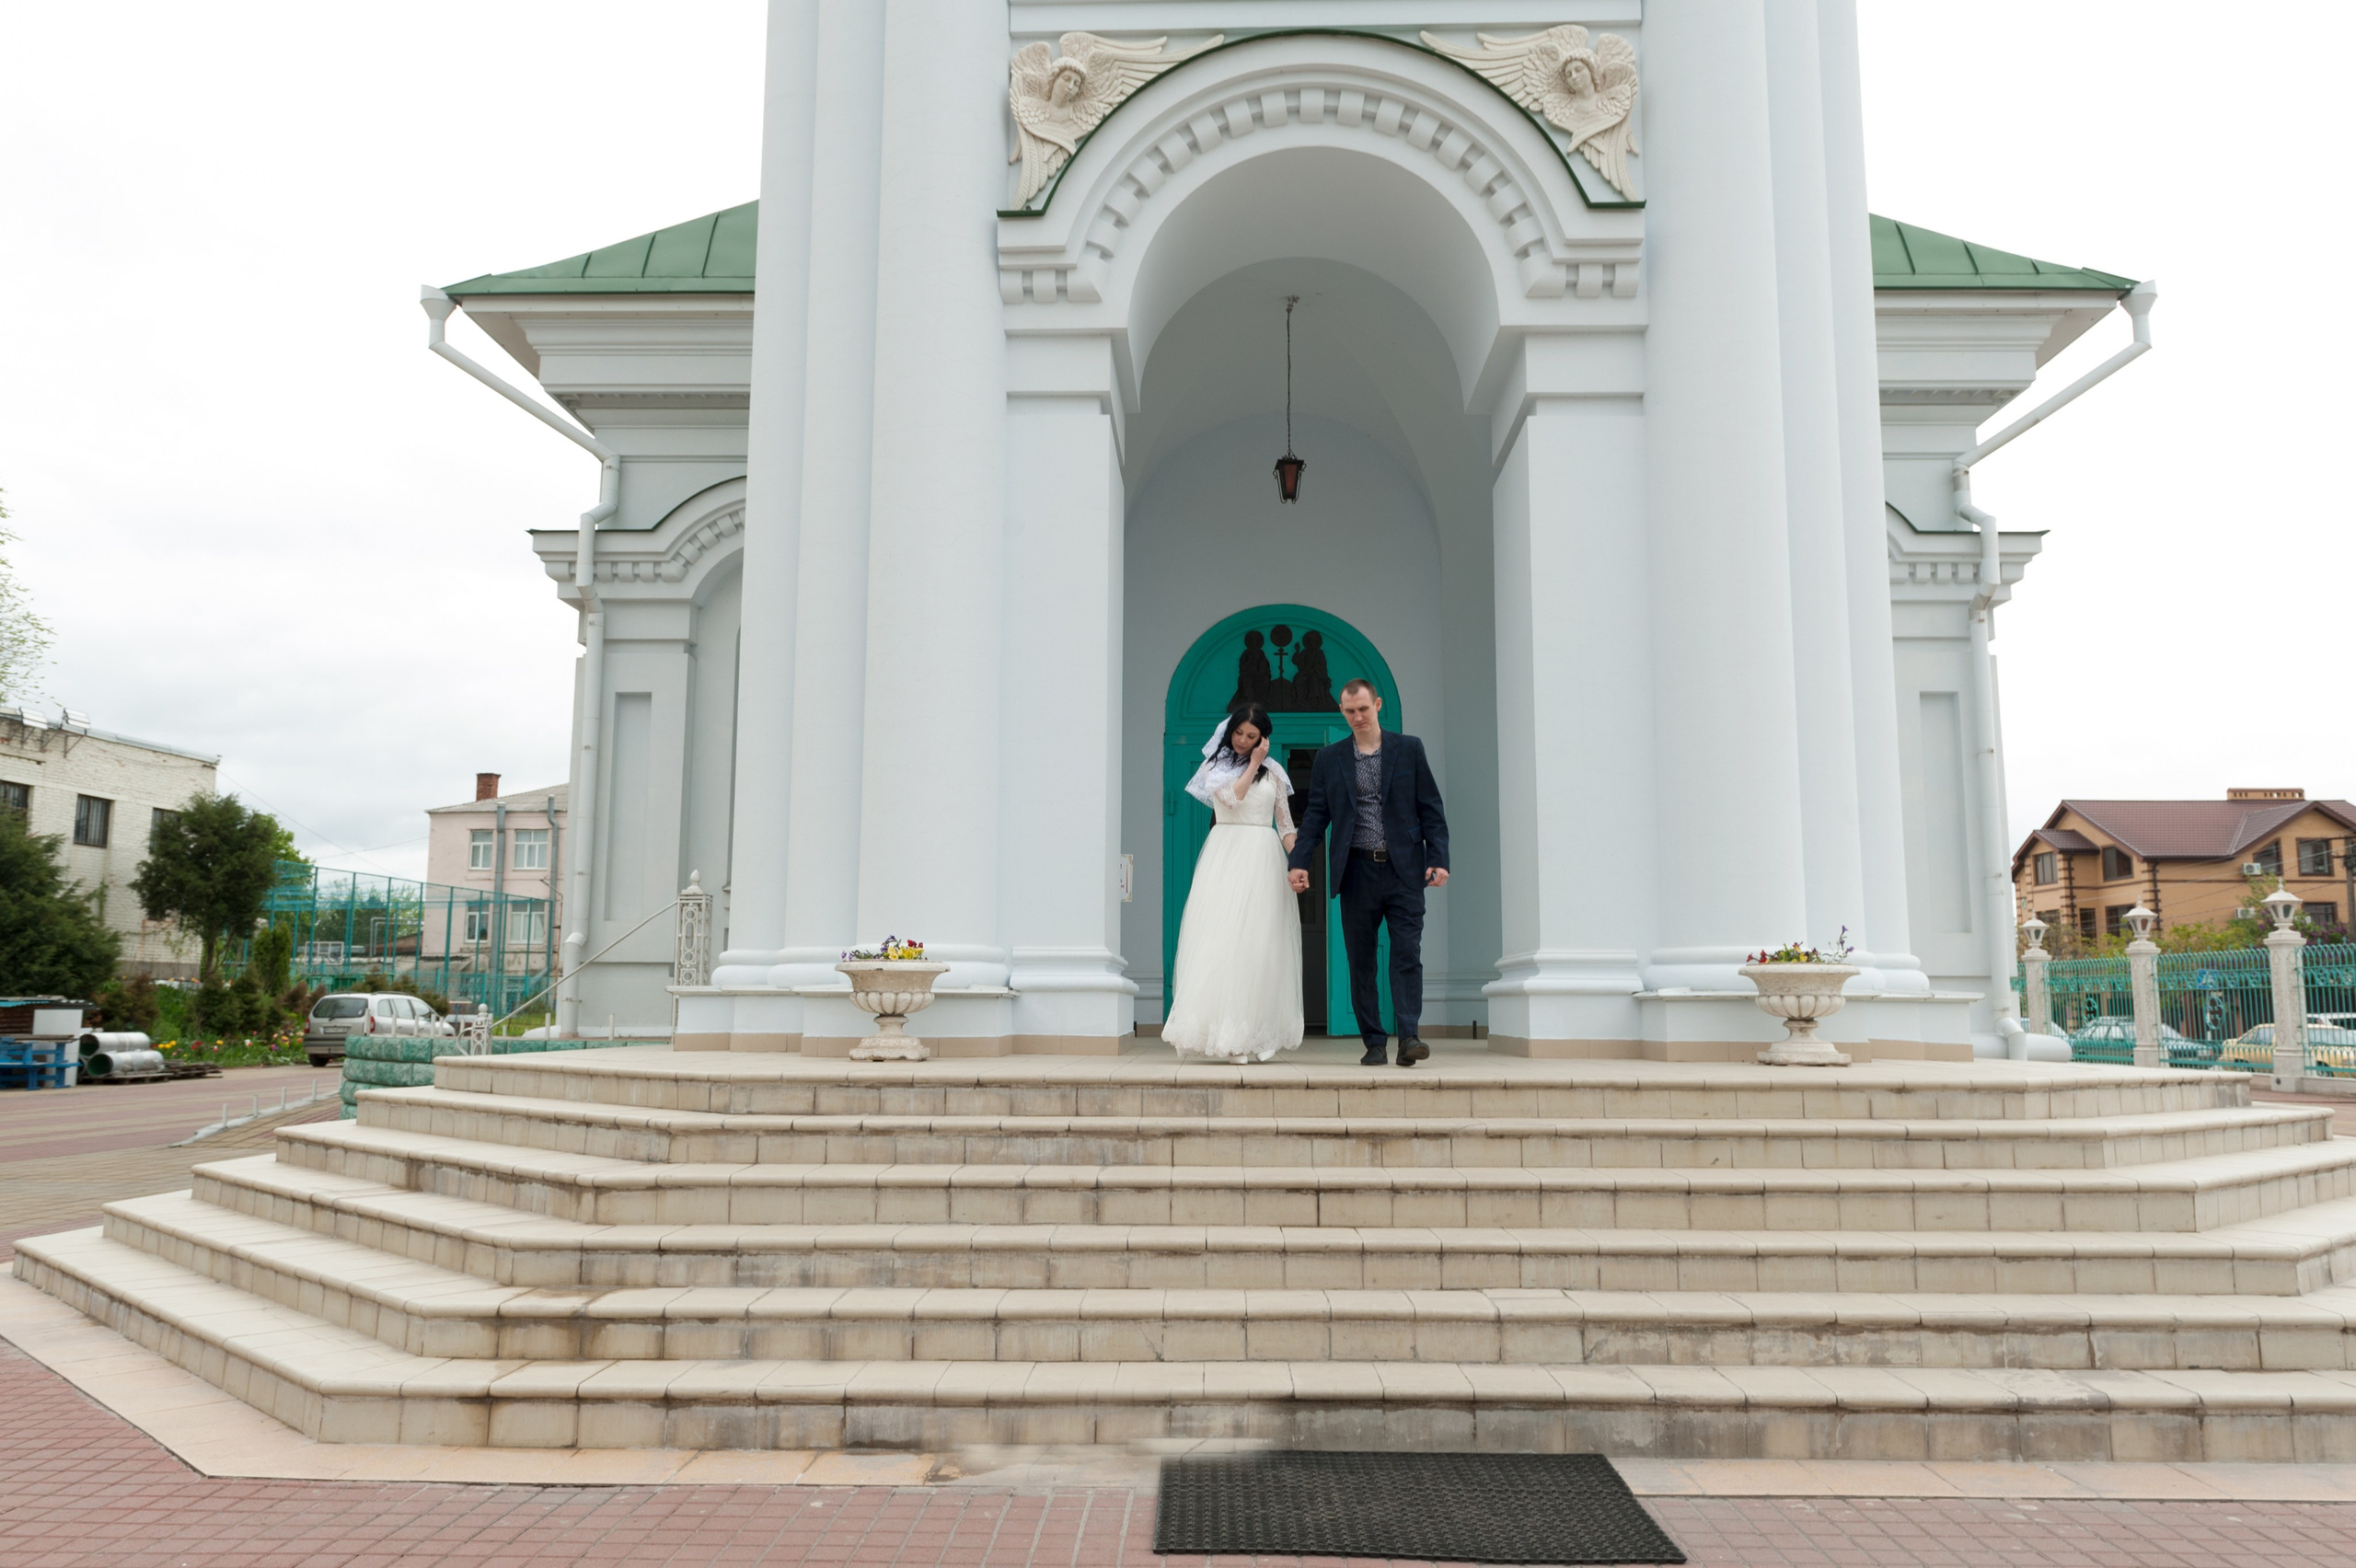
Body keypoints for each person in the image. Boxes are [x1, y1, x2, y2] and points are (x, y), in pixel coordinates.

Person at [1287, 680, 1449, 1066]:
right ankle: (1374, 1040)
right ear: (1341, 712)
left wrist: (1438, 857)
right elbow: (1316, 817)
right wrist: (1298, 861)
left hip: (1404, 870)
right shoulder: (1330, 758)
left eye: (1363, 709)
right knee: (1361, 960)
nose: (1357, 717)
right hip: (1356, 870)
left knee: (1407, 952)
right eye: (1349, 711)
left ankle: (1409, 1037)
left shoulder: (1409, 749)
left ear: (1377, 705)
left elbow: (1431, 808)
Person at [1162, 703, 1306, 1062]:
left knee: (1263, 945)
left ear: (1264, 738)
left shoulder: (1275, 774)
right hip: (1226, 854)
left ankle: (1260, 1031)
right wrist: (1254, 763)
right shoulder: (1215, 766)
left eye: (1251, 736)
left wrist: (1300, 860)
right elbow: (1232, 798)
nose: (1243, 740)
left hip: (1263, 856)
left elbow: (1285, 826)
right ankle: (1227, 1035)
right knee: (1222, 942)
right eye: (1239, 733)